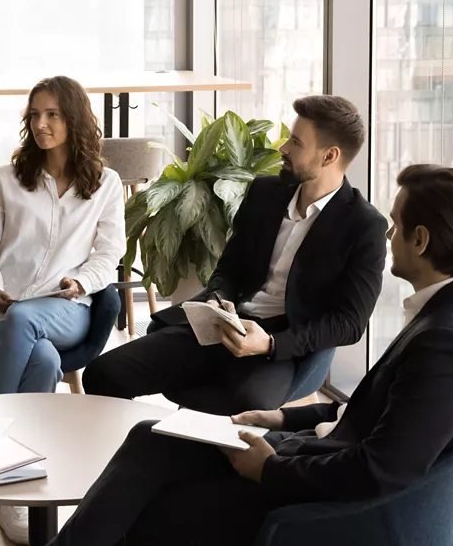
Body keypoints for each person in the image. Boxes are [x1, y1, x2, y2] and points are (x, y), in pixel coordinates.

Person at [49, 164, 453, 546]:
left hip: (324, 497)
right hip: (317, 451)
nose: (389, 235)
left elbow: (380, 468)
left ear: (421, 240)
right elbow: (389, 412)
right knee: (152, 436)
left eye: (398, 226)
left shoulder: (451, 345)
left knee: (150, 502)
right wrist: (281, 419)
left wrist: (271, 467)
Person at [83, 95, 387, 415]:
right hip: (223, 325)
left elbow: (349, 323)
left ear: (330, 156)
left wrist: (270, 343)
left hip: (278, 346)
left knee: (244, 405)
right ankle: (131, 457)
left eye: (296, 142)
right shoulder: (265, 192)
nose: (283, 147)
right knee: (104, 375)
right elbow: (230, 267)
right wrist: (217, 297)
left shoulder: (364, 226)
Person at [0, 75, 125, 540]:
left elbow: (108, 255)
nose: (40, 124)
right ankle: (15, 497)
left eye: (53, 115)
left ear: (74, 119)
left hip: (66, 309)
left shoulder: (105, 184)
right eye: (35, 115)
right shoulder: (7, 179)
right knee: (42, 360)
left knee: (27, 321)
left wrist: (80, 280)